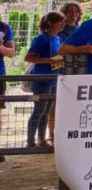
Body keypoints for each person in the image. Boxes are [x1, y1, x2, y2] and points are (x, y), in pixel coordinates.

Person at [25, 12, 64, 148]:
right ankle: (30, 141)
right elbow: (29, 57)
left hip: (53, 79)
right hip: (41, 80)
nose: (62, 25)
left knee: (46, 112)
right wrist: (47, 61)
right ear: (51, 24)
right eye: (60, 22)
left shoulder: (57, 38)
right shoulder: (41, 39)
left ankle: (41, 139)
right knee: (38, 111)